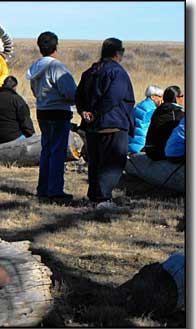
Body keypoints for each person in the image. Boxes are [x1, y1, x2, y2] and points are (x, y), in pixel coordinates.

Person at [75, 38, 135, 207]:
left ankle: (94, 197)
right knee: (113, 163)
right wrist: (95, 113)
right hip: (113, 125)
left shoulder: (90, 72)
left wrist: (84, 112)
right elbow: (113, 97)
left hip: (93, 127)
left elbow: (78, 96)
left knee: (96, 163)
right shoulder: (118, 72)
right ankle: (102, 198)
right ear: (118, 53)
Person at [27, 31, 77, 200]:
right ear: (56, 46)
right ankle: (55, 190)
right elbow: (70, 92)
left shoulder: (35, 68)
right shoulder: (57, 67)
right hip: (59, 112)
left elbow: (34, 92)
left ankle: (43, 188)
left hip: (42, 111)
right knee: (57, 152)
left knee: (46, 150)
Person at [0, 75, 35, 144]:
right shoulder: (17, 99)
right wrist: (31, 135)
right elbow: (25, 120)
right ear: (14, 87)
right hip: (13, 136)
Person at [145, 86, 185, 161]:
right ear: (176, 98)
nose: (183, 98)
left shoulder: (158, 110)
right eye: (182, 96)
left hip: (149, 149)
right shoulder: (176, 112)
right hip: (160, 152)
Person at [128, 85, 164, 153]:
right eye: (160, 96)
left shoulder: (138, 106)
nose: (162, 99)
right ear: (152, 97)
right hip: (142, 146)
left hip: (131, 144)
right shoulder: (152, 110)